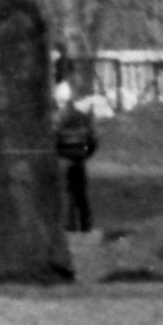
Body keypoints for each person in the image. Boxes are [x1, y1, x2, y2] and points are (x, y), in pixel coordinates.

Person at [51, 56, 100, 236]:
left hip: (66, 150)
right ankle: (83, 223)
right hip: (78, 150)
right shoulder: (78, 87)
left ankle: (71, 224)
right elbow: (91, 132)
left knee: (68, 190)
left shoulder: (63, 90)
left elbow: (58, 122)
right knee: (78, 191)